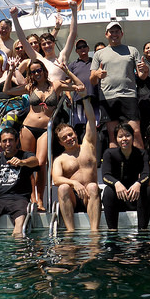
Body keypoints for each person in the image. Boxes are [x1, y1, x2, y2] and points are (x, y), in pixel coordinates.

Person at [4, 59, 84, 211]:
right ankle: (32, 199)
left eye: (38, 70)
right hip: (28, 128)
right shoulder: (29, 87)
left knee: (41, 164)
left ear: (44, 70)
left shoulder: (56, 85)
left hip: (45, 130)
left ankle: (40, 199)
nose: (36, 73)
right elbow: (7, 90)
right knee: (28, 163)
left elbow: (80, 86)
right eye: (33, 71)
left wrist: (67, 71)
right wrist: (11, 70)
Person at [90, 22, 149, 150]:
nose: (114, 34)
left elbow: (142, 76)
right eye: (111, 32)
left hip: (129, 95)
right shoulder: (98, 54)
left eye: (117, 31)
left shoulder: (132, 50)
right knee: (113, 134)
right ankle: (115, 169)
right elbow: (92, 81)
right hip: (108, 98)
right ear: (106, 34)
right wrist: (97, 75)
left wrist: (145, 69)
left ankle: (141, 167)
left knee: (136, 132)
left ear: (122, 34)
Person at [52, 93, 101, 232]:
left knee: (92, 186)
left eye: (70, 134)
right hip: (73, 199)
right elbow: (56, 180)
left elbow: (91, 119)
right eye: (64, 137)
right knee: (62, 188)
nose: (69, 138)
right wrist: (74, 183)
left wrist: (85, 98)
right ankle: (70, 232)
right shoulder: (60, 159)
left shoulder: (88, 145)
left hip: (91, 196)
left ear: (75, 133)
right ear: (61, 142)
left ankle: (94, 233)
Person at [101, 123, 150, 230]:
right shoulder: (109, 154)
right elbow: (106, 176)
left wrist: (138, 183)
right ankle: (112, 231)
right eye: (120, 136)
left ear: (133, 137)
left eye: (127, 135)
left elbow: (146, 174)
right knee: (108, 191)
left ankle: (143, 231)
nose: (124, 139)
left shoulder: (142, 154)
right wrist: (117, 183)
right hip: (118, 198)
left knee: (147, 190)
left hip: (135, 196)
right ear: (116, 139)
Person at [10, 4, 77, 82]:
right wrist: (14, 18)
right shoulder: (39, 59)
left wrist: (74, 11)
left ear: (54, 43)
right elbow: (23, 41)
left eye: (49, 43)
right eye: (44, 44)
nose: (47, 46)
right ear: (41, 46)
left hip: (58, 93)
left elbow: (72, 34)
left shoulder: (62, 57)